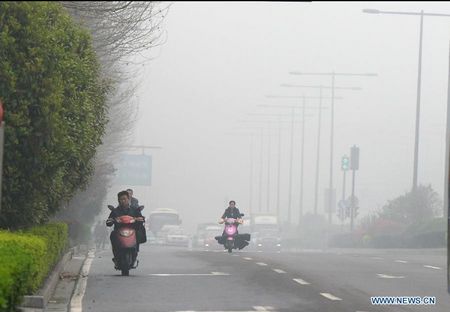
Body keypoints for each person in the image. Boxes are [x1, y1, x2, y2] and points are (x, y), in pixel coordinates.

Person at [106, 190, 144, 268]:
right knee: (112, 235)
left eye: (125, 199)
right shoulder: (115, 211)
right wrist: (110, 221)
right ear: (118, 200)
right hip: (118, 231)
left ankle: (135, 252)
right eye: (121, 199)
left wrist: (140, 219)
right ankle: (115, 255)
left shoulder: (134, 210)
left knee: (138, 234)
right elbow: (110, 219)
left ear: (128, 199)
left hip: (132, 231)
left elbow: (140, 218)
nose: (123, 201)